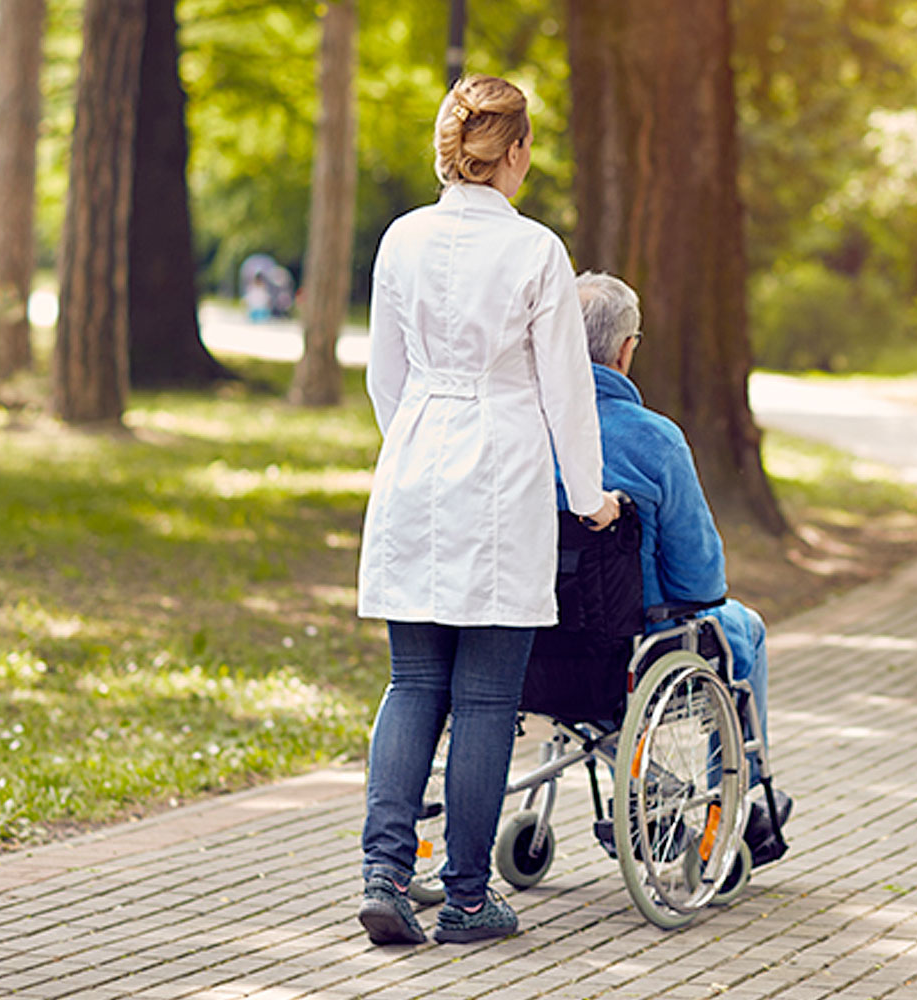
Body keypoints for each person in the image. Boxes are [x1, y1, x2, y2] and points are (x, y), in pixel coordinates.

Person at [355, 74, 618, 947]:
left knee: (412, 681)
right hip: (500, 477)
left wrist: (418, 443)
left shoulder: (401, 239)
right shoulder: (537, 251)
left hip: (415, 466)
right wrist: (591, 499)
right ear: (514, 154)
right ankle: (468, 899)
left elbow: (384, 377)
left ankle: (386, 876)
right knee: (484, 697)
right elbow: (566, 393)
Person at [571, 272, 790, 864]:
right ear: (625, 349)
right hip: (635, 647)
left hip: (534, 645)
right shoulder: (655, 441)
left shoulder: (521, 428)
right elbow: (700, 581)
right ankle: (745, 802)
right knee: (744, 626)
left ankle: (649, 784)